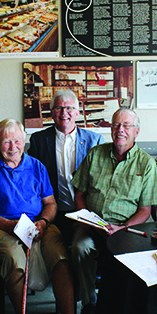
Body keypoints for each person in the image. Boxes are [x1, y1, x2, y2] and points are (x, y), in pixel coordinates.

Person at [0, 119, 94, 314]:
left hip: (39, 226)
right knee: (14, 260)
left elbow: (50, 204)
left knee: (61, 259)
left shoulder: (37, 166)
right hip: (2, 228)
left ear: (24, 141)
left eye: (17, 140)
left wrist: (44, 223)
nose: (12, 146)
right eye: (6, 141)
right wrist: (8, 225)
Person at [70, 108, 157, 314]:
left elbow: (145, 210)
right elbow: (79, 193)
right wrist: (84, 217)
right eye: (115, 125)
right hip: (92, 226)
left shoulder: (146, 164)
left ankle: (120, 312)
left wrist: (123, 228)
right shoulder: (95, 154)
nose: (120, 130)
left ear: (136, 131)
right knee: (79, 248)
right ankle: (89, 305)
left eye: (126, 126)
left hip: (126, 230)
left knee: (130, 259)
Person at [28, 89, 104, 243]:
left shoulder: (94, 141)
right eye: (59, 108)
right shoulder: (39, 140)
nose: (64, 113)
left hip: (84, 212)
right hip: (51, 212)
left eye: (69, 108)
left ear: (77, 113)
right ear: (52, 112)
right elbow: (33, 178)